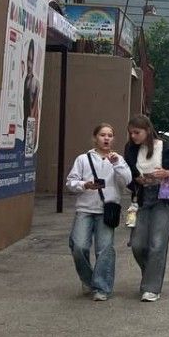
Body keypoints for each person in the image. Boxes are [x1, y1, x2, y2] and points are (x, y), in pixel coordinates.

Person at [66, 123, 132, 302]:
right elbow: (70, 182)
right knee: (78, 246)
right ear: (95, 137)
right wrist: (84, 185)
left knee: (104, 250)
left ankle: (102, 287)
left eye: (110, 135)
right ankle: (88, 280)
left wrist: (117, 164)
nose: (106, 138)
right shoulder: (83, 159)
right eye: (103, 135)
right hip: (85, 208)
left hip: (107, 209)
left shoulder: (118, 160)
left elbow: (127, 181)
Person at [124, 114, 169, 302]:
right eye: (131, 133)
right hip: (142, 197)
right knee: (137, 244)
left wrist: (167, 173)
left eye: (137, 132)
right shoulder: (130, 149)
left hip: (163, 197)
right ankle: (151, 273)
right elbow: (127, 173)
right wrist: (137, 180)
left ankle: (151, 288)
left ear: (147, 130)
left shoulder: (166, 147)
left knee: (157, 243)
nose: (133, 136)